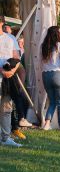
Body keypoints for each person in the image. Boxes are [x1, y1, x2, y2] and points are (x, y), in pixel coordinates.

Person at [40, 25, 60, 132]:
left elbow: (41, 63)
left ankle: (47, 124)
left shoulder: (43, 46)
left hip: (45, 75)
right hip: (57, 74)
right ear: (57, 34)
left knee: (52, 101)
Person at [0, 18, 22, 147]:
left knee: (6, 108)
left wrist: (12, 71)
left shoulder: (10, 39)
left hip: (8, 77)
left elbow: (17, 58)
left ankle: (5, 137)